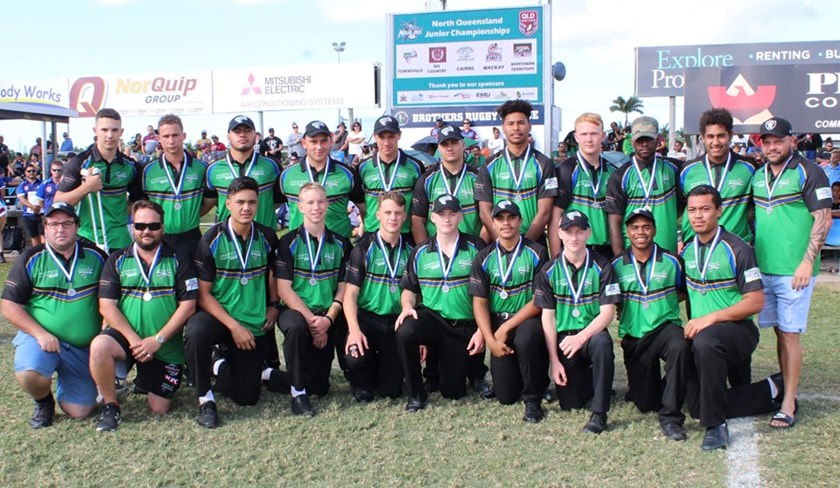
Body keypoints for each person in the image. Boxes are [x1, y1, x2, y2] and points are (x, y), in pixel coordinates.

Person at [681, 184, 786, 449]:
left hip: (737, 331)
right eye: (692, 210)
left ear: (719, 210)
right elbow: (681, 292)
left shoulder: (737, 248)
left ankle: (715, 426)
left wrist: (711, 318)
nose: (698, 216)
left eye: (705, 209)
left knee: (705, 342)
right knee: (696, 407)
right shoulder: (686, 251)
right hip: (703, 334)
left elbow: (756, 300)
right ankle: (771, 389)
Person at [184, 177, 287, 428]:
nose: (246, 208)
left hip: (251, 319)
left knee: (248, 397)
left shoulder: (266, 236)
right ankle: (205, 399)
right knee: (196, 331)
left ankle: (218, 363)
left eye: (252, 202)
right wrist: (233, 326)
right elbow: (204, 295)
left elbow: (273, 274)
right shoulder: (210, 240)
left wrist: (273, 305)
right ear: (227, 204)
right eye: (240, 202)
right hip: (219, 317)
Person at [752, 117, 832, 429]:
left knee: (790, 333)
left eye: (778, 141)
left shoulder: (809, 171)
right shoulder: (759, 175)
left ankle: (788, 403)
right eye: (767, 142)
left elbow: (822, 218)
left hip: (794, 271)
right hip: (765, 268)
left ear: (792, 141)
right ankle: (787, 390)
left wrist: (806, 262)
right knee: (779, 332)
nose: (772, 147)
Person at [90, 200, 198, 431]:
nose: (146, 231)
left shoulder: (179, 259)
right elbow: (107, 306)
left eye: (153, 226)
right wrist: (135, 341)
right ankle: (111, 406)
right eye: (140, 226)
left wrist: (157, 340)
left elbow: (188, 306)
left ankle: (143, 379)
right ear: (131, 228)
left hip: (164, 344)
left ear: (163, 228)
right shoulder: (117, 260)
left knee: (159, 408)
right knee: (99, 346)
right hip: (128, 340)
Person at [1, 202, 108, 428]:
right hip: (42, 340)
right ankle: (43, 402)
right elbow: (9, 305)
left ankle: (70, 383)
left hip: (82, 347)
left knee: (80, 411)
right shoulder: (31, 258)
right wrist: (40, 334)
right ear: (45, 228)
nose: (61, 229)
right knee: (29, 372)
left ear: (77, 226)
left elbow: (111, 299)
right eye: (54, 224)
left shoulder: (96, 256)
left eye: (67, 223)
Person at [396, 195, 486, 412]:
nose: (447, 219)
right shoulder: (419, 252)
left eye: (452, 214)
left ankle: (458, 371)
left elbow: (486, 294)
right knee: (405, 330)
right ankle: (416, 393)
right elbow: (409, 288)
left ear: (460, 217)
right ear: (432, 218)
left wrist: (482, 330)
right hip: (433, 318)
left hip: (463, 324)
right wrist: (407, 306)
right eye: (441, 214)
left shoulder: (476, 247)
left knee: (452, 391)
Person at [534, 210, 620, 434]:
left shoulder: (603, 266)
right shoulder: (548, 271)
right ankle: (595, 380)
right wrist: (555, 362)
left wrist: (581, 338)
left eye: (579, 231)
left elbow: (607, 314)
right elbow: (548, 317)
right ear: (559, 233)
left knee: (602, 344)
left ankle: (599, 414)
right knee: (570, 403)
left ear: (588, 233)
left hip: (590, 334)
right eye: (568, 231)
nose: (574, 237)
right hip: (565, 340)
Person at [611, 207, 691, 441]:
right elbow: (611, 301)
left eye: (646, 227)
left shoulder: (672, 261)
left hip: (665, 328)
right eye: (635, 227)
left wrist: (663, 303)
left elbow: (685, 292)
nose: (641, 232)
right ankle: (669, 386)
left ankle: (672, 417)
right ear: (627, 231)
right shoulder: (615, 266)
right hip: (635, 337)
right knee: (645, 404)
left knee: (680, 347)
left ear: (655, 230)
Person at [470, 200, 550, 422]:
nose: (506, 223)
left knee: (526, 338)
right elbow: (480, 302)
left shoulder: (537, 252)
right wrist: (490, 339)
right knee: (506, 396)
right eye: (500, 219)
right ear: (492, 224)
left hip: (526, 319)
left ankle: (533, 399)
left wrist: (506, 327)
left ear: (520, 221)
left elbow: (539, 299)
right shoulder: (484, 257)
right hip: (498, 323)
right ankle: (520, 382)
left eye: (511, 218)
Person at [276, 182, 351, 416]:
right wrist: (312, 322)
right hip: (297, 312)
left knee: (319, 387)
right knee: (297, 328)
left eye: (321, 201)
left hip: (328, 313)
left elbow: (344, 287)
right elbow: (284, 289)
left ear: (328, 205)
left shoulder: (341, 243)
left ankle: (268, 375)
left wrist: (328, 319)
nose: (316, 207)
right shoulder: (287, 242)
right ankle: (298, 395)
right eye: (310, 202)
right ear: (300, 207)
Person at [342, 192, 411, 401]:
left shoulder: (411, 251)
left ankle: (385, 371)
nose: (393, 218)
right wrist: (354, 331)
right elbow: (350, 295)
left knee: (390, 391)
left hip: (394, 323)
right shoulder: (363, 249)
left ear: (404, 216)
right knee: (355, 357)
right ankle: (359, 380)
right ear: (378, 214)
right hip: (368, 319)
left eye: (398, 213)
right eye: (388, 212)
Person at [56, 108, 142, 254]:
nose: (110, 135)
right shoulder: (79, 162)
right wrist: (87, 187)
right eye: (104, 130)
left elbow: (138, 202)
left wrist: (119, 210)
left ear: (121, 132)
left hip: (120, 238)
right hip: (87, 236)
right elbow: (58, 201)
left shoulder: (131, 166)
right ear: (95, 131)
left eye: (115, 130)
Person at [476, 99, 557, 243]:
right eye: (510, 123)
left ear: (529, 126)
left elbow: (545, 212)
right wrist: (502, 244)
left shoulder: (545, 164)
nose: (516, 128)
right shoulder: (489, 165)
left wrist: (523, 246)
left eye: (521, 123)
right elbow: (484, 212)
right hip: (498, 243)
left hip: (533, 242)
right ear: (503, 128)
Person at [605, 116, 680, 255]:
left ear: (658, 140)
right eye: (640, 140)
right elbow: (614, 223)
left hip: (669, 257)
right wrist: (620, 260)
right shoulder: (620, 176)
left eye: (649, 139)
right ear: (632, 141)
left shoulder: (674, 169)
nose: (644, 144)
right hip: (633, 257)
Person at [679, 108, 755, 243]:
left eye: (721, 135)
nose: (715, 142)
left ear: (730, 135)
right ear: (702, 137)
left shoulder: (749, 168)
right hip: (696, 247)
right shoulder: (687, 171)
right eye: (710, 136)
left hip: (736, 248)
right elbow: (680, 208)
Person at [279, 120, 364, 239]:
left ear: (330, 142)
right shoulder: (287, 175)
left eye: (323, 141)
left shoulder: (348, 173)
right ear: (304, 143)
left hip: (339, 249)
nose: (319, 147)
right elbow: (270, 207)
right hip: (299, 248)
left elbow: (363, 209)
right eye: (313, 142)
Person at [141, 114, 209, 260]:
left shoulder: (201, 168)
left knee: (193, 282)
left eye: (175, 135)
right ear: (159, 138)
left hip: (192, 237)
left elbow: (210, 200)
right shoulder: (148, 171)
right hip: (161, 238)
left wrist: (192, 213)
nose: (171, 141)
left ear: (183, 136)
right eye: (166, 136)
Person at [550, 113, 614, 258]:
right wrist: (555, 260)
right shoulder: (566, 170)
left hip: (606, 251)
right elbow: (555, 218)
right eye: (584, 134)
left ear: (603, 136)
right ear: (576, 137)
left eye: (594, 134)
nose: (589, 139)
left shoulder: (612, 171)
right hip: (575, 251)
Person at [205, 115, 282, 229]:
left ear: (255, 136)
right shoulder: (213, 169)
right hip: (227, 240)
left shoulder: (272, 166)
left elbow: (278, 200)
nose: (242, 134)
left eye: (247, 130)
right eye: (237, 131)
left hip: (263, 239)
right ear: (228, 136)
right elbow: (209, 203)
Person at [410, 124, 482, 244]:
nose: (449, 148)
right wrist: (425, 251)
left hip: (471, 254)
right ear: (439, 147)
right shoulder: (426, 180)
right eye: (444, 144)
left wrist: (479, 250)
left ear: (463, 145)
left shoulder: (478, 178)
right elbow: (417, 220)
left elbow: (486, 217)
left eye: (454, 142)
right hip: (435, 255)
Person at [357, 116, 424, 238]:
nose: (386, 143)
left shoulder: (415, 166)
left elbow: (419, 205)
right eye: (382, 137)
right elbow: (361, 204)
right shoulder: (363, 167)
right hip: (372, 232)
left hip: (404, 234)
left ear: (399, 135)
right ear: (375, 136)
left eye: (391, 137)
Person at [17, 164, 45, 247]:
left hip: (42, 214)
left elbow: (46, 196)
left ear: (37, 172)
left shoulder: (43, 183)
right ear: (25, 173)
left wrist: (39, 207)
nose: (31, 173)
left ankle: (46, 254)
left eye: (33, 171)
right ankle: (37, 255)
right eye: (29, 171)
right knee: (34, 236)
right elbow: (22, 199)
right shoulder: (22, 185)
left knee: (43, 236)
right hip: (28, 215)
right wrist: (32, 207)